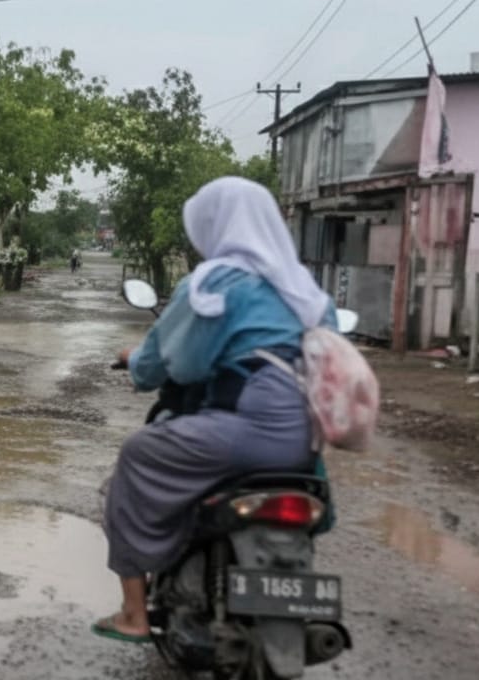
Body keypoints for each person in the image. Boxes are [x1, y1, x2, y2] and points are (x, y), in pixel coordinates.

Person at [93, 176, 335, 643]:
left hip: (243, 432)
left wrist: (135, 360)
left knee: (137, 455)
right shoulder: (304, 290)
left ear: (211, 225)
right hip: (303, 440)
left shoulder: (211, 285)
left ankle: (134, 613)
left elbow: (176, 365)